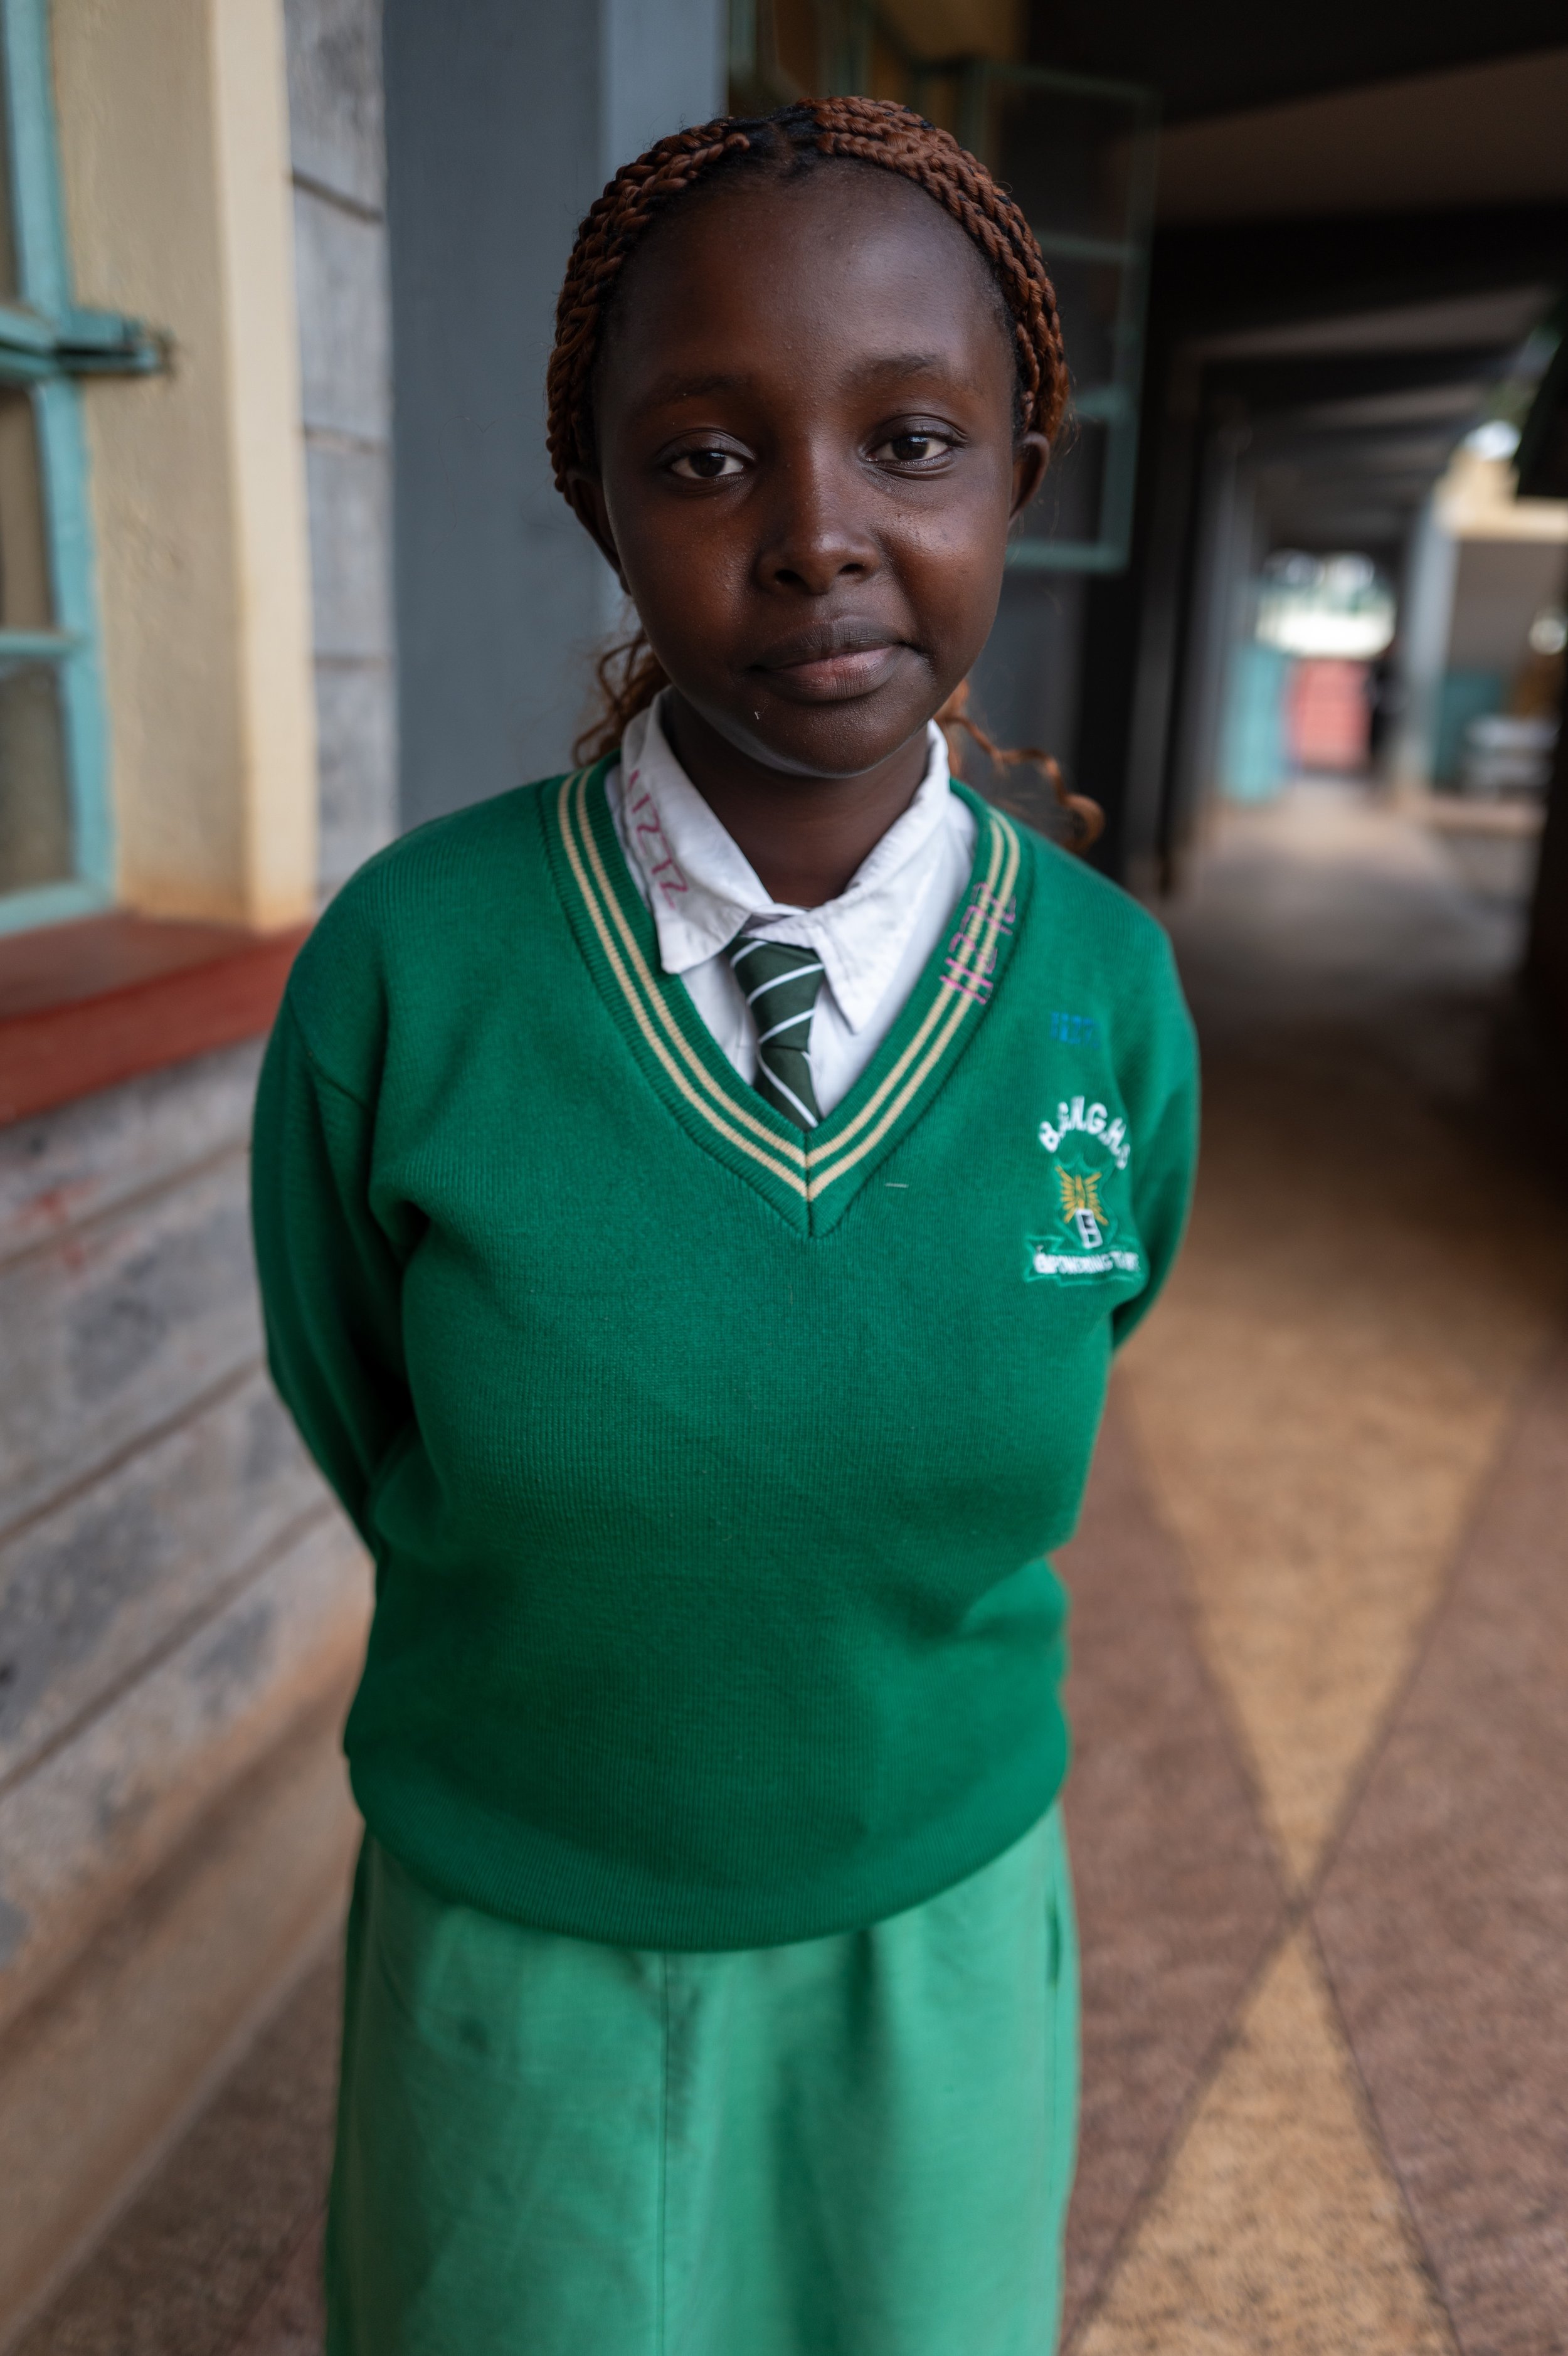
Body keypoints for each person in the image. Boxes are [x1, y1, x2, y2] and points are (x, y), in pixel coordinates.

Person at [252, 96, 1198, 2356]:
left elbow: (1093, 1304)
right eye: (703, 459)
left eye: (908, 442)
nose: (816, 538)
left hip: (935, 1943)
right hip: (519, 1943)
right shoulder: (415, 963)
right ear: (596, 500)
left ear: (1017, 483)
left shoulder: (1102, 991)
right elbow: (353, 1380)